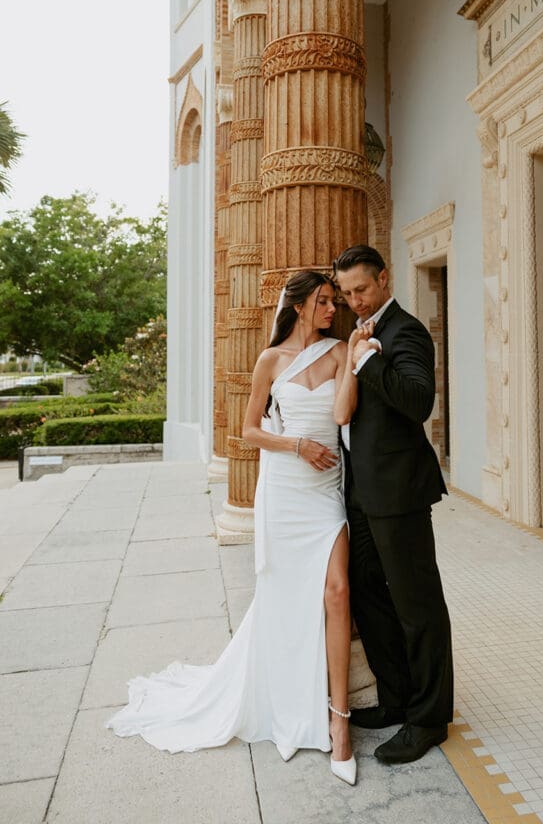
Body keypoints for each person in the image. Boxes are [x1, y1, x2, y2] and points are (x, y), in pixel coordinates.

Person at [106, 271, 359, 785]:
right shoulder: (270, 360)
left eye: (335, 301)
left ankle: (340, 722)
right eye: (325, 301)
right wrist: (296, 445)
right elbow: (247, 430)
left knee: (337, 592)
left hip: (325, 492)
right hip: (286, 488)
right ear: (300, 305)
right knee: (284, 597)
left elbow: (341, 411)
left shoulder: (336, 352)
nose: (333, 309)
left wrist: (353, 354)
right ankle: (288, 696)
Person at [333, 244, 454, 765]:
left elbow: (418, 402)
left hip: (400, 494)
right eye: (345, 294)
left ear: (384, 279)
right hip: (360, 493)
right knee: (368, 598)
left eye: (361, 290)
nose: (354, 301)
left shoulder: (406, 332)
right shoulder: (357, 330)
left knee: (417, 607)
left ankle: (428, 720)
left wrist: (367, 362)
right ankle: (396, 698)